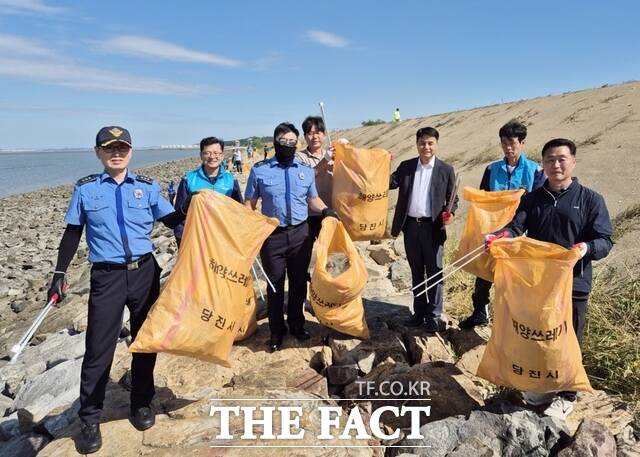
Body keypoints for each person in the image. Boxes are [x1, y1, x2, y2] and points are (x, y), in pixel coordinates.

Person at [46, 126, 186, 454]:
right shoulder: (86, 190)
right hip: (106, 278)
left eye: (122, 147)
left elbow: (171, 220)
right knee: (98, 348)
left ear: (131, 151)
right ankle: (90, 417)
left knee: (145, 341)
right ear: (98, 153)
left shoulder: (148, 188)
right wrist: (59, 272)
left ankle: (141, 403)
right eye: (109, 148)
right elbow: (72, 233)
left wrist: (196, 204)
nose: (116, 153)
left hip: (144, 273)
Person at [488, 138, 613, 420]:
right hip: (538, 287)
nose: (556, 165)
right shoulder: (532, 199)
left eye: (562, 159)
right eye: (550, 160)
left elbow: (605, 240)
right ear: (542, 165)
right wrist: (500, 237)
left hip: (574, 285)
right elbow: (515, 227)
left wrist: (585, 249)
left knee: (569, 339)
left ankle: (567, 395)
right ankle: (541, 385)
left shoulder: (590, 199)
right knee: (539, 336)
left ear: (573, 162)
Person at [245, 122, 337, 352]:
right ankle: (276, 331)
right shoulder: (259, 170)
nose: (287, 145)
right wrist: (249, 228)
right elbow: (250, 204)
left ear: (297, 144)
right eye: (283, 141)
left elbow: (312, 199)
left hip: (300, 234)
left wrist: (326, 210)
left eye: (292, 142)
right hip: (272, 237)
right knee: (275, 284)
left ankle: (297, 324)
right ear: (275, 142)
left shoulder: (305, 171)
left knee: (298, 283)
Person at [459, 121, 545, 329]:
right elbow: (483, 199)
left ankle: (514, 323)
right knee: (482, 278)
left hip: (518, 236)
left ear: (522, 143)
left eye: (512, 143)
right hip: (493, 234)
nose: (508, 147)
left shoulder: (535, 171)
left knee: (513, 283)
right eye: (504, 143)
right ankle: (480, 312)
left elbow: (539, 205)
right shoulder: (492, 169)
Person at [389, 127, 458, 333]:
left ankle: (434, 315)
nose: (426, 147)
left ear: (436, 144)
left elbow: (453, 199)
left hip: (433, 228)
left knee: (435, 272)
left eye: (430, 143)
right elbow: (389, 182)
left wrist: (450, 212)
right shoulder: (406, 166)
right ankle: (419, 313)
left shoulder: (446, 170)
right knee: (416, 271)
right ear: (417, 144)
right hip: (410, 227)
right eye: (422, 143)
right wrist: (382, 162)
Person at [173, 136, 243, 246]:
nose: (212, 157)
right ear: (201, 155)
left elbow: (240, 210)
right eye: (207, 153)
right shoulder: (188, 179)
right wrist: (181, 239)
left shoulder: (231, 180)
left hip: (224, 238)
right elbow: (178, 214)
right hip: (196, 239)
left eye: (216, 153)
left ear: (222, 155)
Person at [296, 116, 334, 241]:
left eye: (318, 132)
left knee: (332, 255)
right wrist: (326, 160)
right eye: (310, 133)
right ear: (305, 136)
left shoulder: (333, 154)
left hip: (331, 213)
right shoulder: (298, 158)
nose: (315, 137)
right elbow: (308, 176)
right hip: (309, 215)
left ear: (324, 134)